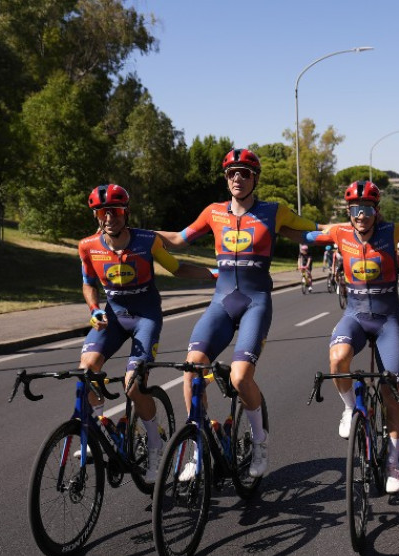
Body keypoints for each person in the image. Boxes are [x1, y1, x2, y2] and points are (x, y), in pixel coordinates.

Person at [157, 148, 319, 480]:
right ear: (226, 177)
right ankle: (198, 445)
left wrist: (360, 225)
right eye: (232, 173)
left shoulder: (274, 212)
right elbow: (176, 239)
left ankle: (260, 442)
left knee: (240, 377)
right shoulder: (213, 212)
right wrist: (132, 233)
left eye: (244, 173)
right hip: (221, 302)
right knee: (191, 369)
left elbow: (315, 232)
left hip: (255, 302)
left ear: (255, 178)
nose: (237, 178)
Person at [305, 180, 399, 493]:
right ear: (348, 211)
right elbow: (304, 232)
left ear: (376, 211)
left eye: (367, 209)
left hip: (387, 321)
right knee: (338, 358)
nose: (361, 215)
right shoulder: (339, 233)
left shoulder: (391, 232)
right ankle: (351, 409)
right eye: (355, 209)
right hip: (354, 317)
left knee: (392, 390)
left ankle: (393, 461)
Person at [78, 184, 215, 480]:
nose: (108, 217)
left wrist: (217, 273)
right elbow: (88, 282)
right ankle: (96, 430)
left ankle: (154, 447)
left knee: (133, 384)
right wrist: (93, 309)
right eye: (101, 212)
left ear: (126, 213)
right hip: (113, 316)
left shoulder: (146, 241)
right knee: (85, 371)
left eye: (114, 211)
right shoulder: (88, 246)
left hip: (145, 316)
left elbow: (177, 269)